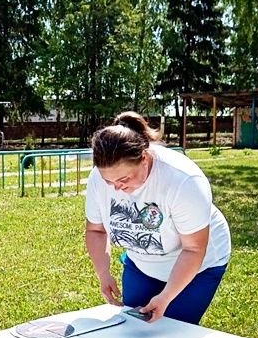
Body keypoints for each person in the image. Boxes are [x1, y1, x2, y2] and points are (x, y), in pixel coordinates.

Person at [85, 111, 231, 325]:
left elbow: (194, 248)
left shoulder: (183, 180)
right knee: (131, 328)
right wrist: (103, 273)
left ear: (144, 158)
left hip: (199, 265)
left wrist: (166, 296)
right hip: (142, 262)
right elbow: (96, 230)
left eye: (124, 179)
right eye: (109, 181)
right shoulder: (99, 179)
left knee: (171, 332)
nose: (116, 187)